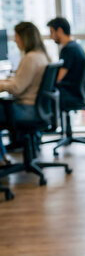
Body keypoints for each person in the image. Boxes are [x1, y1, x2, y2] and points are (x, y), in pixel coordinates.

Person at [0, 22, 52, 166]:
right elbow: (20, 80)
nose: (15, 40)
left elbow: (17, 87)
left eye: (17, 36)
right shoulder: (41, 55)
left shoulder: (30, 58)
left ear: (25, 37)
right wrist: (4, 82)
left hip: (26, 110)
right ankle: (2, 155)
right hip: (36, 108)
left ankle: (0, 157)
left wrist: (2, 85)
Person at [47, 17, 85, 109]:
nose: (50, 36)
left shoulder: (68, 50)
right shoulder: (76, 46)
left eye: (51, 31)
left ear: (60, 30)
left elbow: (59, 78)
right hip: (77, 93)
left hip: (69, 93)